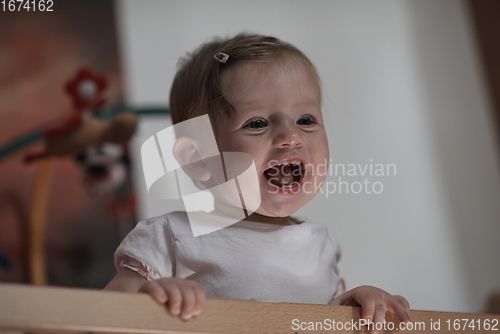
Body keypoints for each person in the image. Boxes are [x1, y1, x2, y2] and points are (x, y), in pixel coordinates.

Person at [104, 33, 411, 331]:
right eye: (257, 123)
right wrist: (148, 303)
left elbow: (324, 323)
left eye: (305, 120)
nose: (291, 136)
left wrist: (360, 307)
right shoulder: (169, 236)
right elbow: (103, 311)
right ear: (198, 159)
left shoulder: (321, 244)